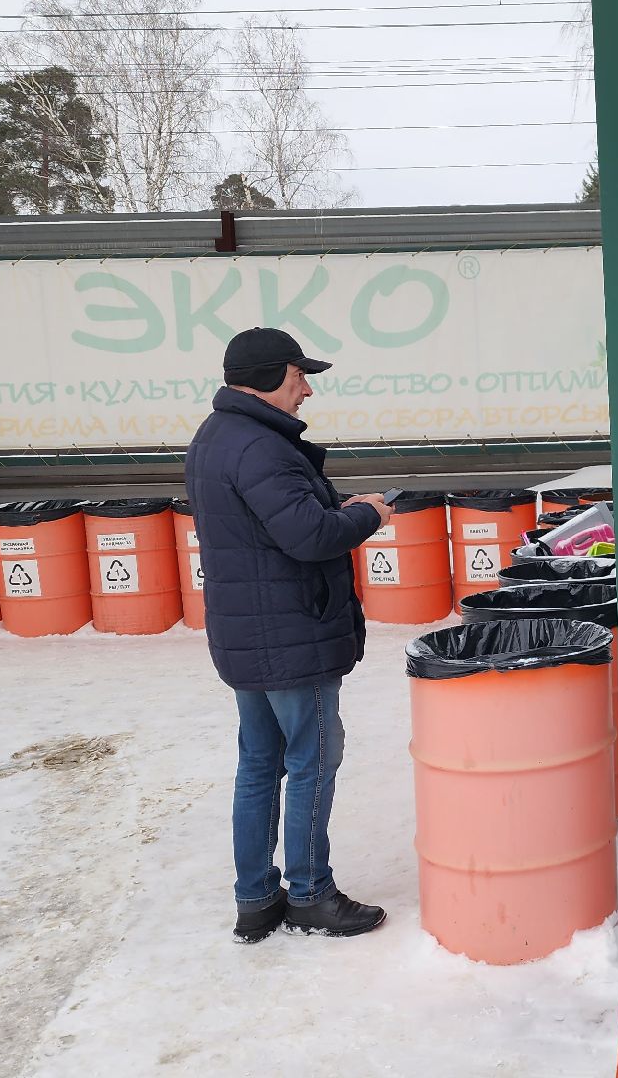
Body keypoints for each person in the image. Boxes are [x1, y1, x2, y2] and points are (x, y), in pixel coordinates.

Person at [185, 326, 394, 944]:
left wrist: (336, 510)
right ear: (272, 376)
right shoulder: (262, 447)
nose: (306, 390)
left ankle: (257, 897)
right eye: (300, 376)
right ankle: (309, 894)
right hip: (290, 635)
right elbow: (308, 537)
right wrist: (367, 514)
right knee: (311, 761)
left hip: (251, 633)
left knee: (258, 764)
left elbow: (274, 528)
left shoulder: (217, 437)